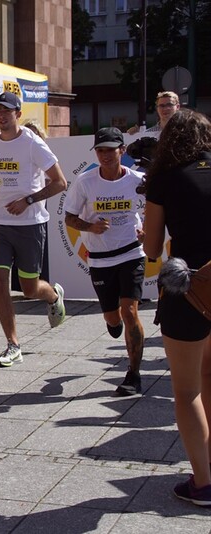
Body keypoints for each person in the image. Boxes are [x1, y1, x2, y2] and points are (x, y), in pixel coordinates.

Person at [143, 109, 211, 507]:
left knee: (187, 391)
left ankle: (203, 483)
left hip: (188, 289)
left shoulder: (165, 178)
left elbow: (152, 249)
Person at [0, 91, 67, 367]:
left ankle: (53, 295)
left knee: (29, 289)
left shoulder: (33, 144)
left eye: (7, 111)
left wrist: (27, 201)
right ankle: (12, 344)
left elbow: (60, 182)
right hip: (0, 225)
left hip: (30, 224)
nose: (1, 116)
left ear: (18, 114)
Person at [64, 127, 146, 396]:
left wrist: (147, 229)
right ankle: (113, 323)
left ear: (122, 150)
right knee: (113, 317)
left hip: (131, 252)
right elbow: (69, 218)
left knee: (129, 311)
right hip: (100, 259)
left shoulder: (138, 180)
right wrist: (90, 227)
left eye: (110, 150)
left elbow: (158, 206)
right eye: (100, 150)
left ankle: (134, 374)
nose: (105, 155)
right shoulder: (85, 182)